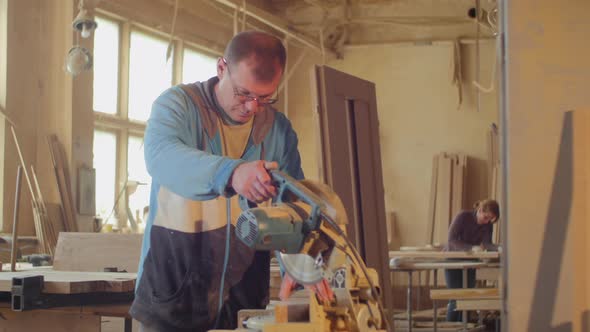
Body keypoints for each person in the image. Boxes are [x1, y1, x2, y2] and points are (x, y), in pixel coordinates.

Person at [129, 31, 304, 331]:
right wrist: (233, 173)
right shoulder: (179, 106)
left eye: (264, 97)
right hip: (174, 295)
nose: (252, 107)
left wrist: (301, 266)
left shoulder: (277, 130)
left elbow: (294, 206)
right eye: (243, 93)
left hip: (244, 300)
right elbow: (161, 157)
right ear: (222, 68)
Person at [444, 199, 500, 322]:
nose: (487, 221)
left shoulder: (487, 224)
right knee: (455, 300)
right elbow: (451, 240)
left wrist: (499, 247)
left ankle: (465, 327)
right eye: (486, 217)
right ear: (479, 210)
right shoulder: (463, 216)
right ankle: (451, 328)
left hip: (470, 262)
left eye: (490, 219)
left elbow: (486, 244)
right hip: (453, 259)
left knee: (469, 298)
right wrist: (471, 248)